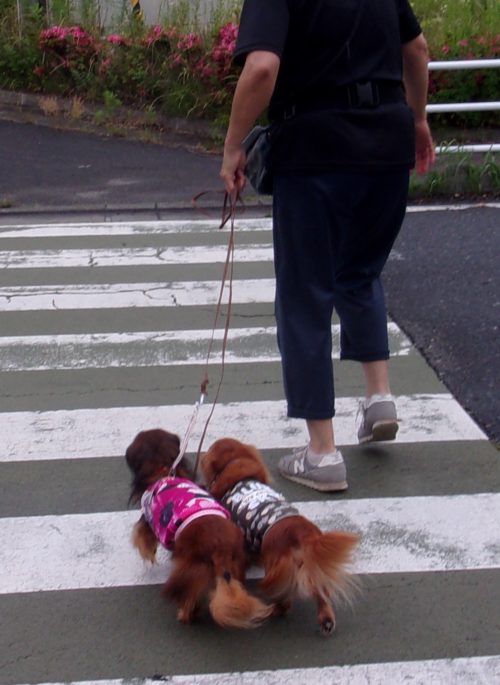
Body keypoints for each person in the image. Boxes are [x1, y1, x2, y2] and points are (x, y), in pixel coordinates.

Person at [220, 0, 435, 492]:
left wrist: (233, 146)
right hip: (388, 145)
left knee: (305, 297)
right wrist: (419, 120)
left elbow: (262, 67)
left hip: (315, 149)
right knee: (359, 271)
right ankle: (379, 397)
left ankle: (321, 453)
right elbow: (417, 50)